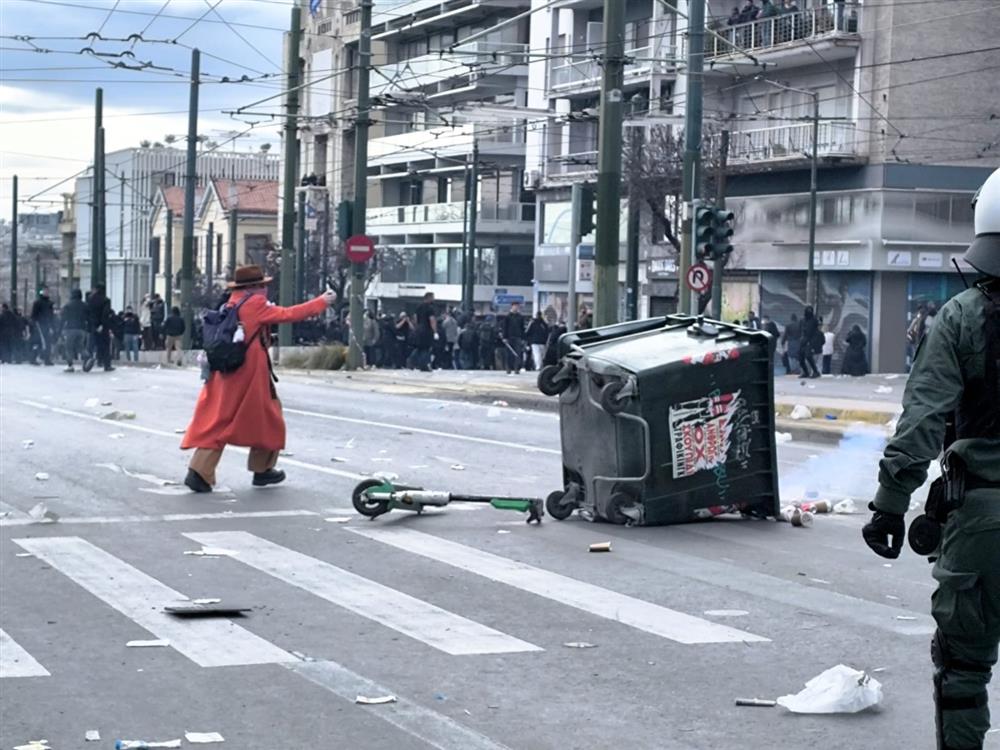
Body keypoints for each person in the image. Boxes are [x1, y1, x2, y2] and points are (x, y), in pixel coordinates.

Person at [862, 167, 1000, 750]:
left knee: (963, 671)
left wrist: (891, 506)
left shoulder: (964, 317)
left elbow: (922, 421)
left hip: (983, 522)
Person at [181, 265, 337, 493]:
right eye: (262, 285)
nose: (265, 288)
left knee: (219, 418)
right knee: (268, 416)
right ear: (254, 287)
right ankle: (260, 469)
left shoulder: (232, 302)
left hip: (226, 370)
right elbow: (289, 314)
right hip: (249, 373)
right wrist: (322, 301)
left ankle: (201, 470)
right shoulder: (254, 304)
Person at [60, 290, 89, 372]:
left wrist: (60, 329)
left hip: (70, 329)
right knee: (80, 346)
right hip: (82, 329)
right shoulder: (85, 305)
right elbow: (88, 317)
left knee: (68, 347)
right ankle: (87, 357)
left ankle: (70, 365)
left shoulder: (68, 305)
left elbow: (63, 318)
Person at [87, 284, 114, 372]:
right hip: (103, 326)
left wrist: (94, 325)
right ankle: (106, 364)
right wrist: (102, 324)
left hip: (93, 326)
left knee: (92, 344)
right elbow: (105, 314)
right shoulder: (106, 300)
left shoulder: (90, 300)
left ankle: (88, 361)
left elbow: (89, 314)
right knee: (105, 346)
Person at [29, 288, 56, 366]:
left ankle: (46, 359)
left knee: (47, 342)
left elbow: (51, 315)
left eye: (47, 291)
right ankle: (33, 358)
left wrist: (52, 325)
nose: (46, 293)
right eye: (45, 291)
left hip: (46, 325)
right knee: (38, 342)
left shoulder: (50, 303)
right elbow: (34, 315)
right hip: (39, 325)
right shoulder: (38, 302)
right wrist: (34, 323)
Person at [412, 292, 438, 372]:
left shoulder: (418, 307)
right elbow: (432, 320)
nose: (434, 299)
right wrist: (435, 332)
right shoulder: (430, 308)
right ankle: (425, 365)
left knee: (419, 348)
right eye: (432, 297)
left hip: (419, 329)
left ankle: (415, 363)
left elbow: (415, 318)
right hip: (427, 330)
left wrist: (417, 327)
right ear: (429, 298)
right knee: (426, 348)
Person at [502, 301, 526, 374]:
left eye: (517, 306)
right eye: (515, 306)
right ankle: (508, 368)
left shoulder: (520, 317)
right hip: (509, 337)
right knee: (509, 354)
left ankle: (516, 368)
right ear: (512, 306)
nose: (516, 308)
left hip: (518, 337)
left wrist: (523, 338)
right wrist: (504, 337)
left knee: (517, 353)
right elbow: (505, 327)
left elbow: (522, 328)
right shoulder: (507, 317)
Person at [799, 305, 821, 379]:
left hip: (811, 340)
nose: (809, 312)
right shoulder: (802, 320)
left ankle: (815, 371)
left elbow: (816, 331)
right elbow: (800, 329)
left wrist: (813, 342)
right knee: (800, 357)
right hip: (803, 340)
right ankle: (806, 372)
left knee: (808, 356)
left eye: (810, 310)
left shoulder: (814, 320)